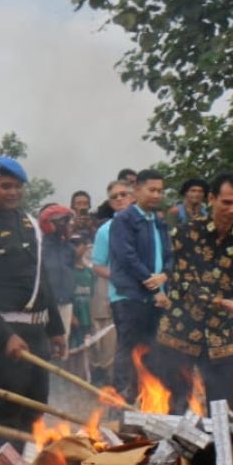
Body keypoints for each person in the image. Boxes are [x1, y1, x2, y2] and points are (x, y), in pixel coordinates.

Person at [0, 155, 66, 439]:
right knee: (6, 414)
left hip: (35, 331)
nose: (13, 192)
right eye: (5, 186)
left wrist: (55, 329)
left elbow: (42, 281)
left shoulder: (30, 225)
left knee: (35, 409)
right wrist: (5, 337)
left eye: (18, 186)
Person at [156, 172, 233, 410]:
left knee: (224, 411)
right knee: (175, 409)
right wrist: (225, 303)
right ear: (211, 199)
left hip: (221, 335)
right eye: (227, 202)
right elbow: (183, 284)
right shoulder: (185, 234)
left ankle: (221, 448)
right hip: (180, 331)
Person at [107, 168, 171, 402]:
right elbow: (127, 257)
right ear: (137, 190)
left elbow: (169, 255)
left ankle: (148, 403)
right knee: (128, 352)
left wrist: (164, 275)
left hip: (155, 298)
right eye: (151, 189)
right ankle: (122, 405)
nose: (156, 195)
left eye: (160, 191)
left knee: (151, 352)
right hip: (130, 297)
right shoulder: (124, 219)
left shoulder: (159, 221)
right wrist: (153, 286)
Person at [89, 180, 133, 384]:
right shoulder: (105, 231)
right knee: (123, 351)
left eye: (123, 194)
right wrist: (121, 278)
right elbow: (97, 266)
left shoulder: (151, 225)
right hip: (122, 298)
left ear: (133, 196)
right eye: (114, 197)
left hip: (153, 298)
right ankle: (121, 400)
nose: (119, 199)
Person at [39, 204, 76, 357]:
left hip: (65, 302)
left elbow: (70, 274)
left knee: (61, 348)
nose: (68, 225)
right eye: (64, 221)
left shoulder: (68, 248)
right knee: (45, 346)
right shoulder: (39, 247)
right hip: (45, 305)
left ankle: (60, 380)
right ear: (49, 224)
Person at [67, 233, 95, 381]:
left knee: (86, 346)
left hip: (86, 316)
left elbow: (93, 294)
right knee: (71, 348)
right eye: (73, 245)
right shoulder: (66, 271)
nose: (77, 249)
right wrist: (71, 315)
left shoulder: (89, 271)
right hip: (73, 316)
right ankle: (70, 379)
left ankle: (84, 378)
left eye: (79, 245)